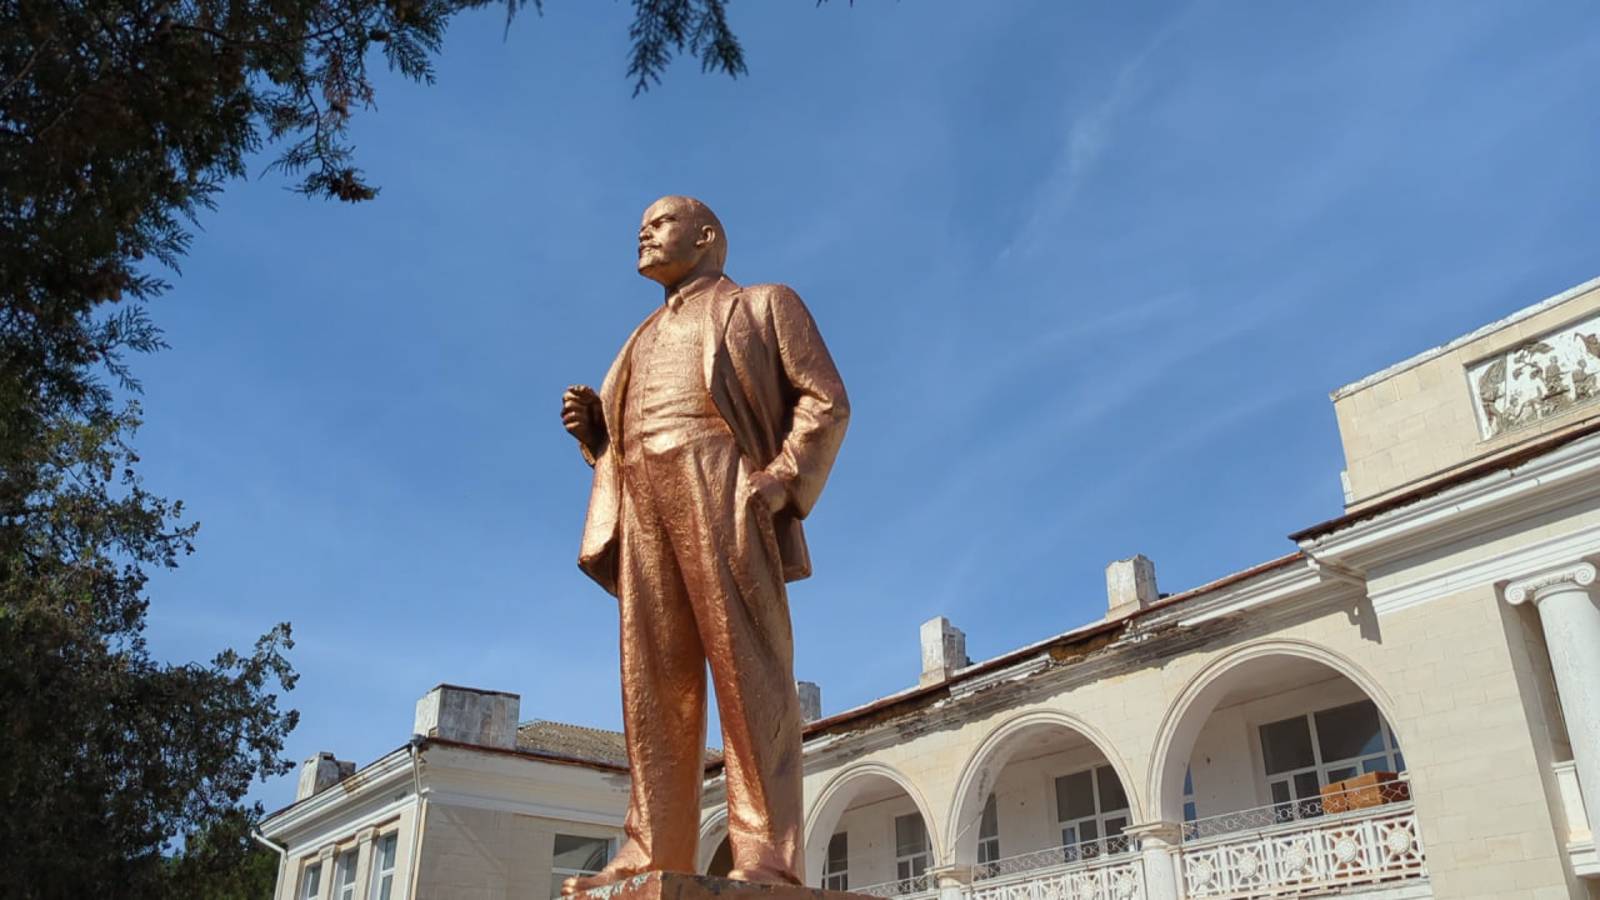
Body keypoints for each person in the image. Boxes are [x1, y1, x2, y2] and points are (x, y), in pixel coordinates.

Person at [560, 196, 850, 891]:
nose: (644, 230)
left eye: (661, 221)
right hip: (642, 491)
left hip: (721, 478)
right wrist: (600, 439)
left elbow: (826, 399)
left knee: (750, 673)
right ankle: (651, 847)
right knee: (652, 678)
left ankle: (766, 854)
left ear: (706, 235)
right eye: (643, 224)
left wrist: (781, 479)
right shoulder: (639, 336)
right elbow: (632, 427)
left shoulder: (763, 304)